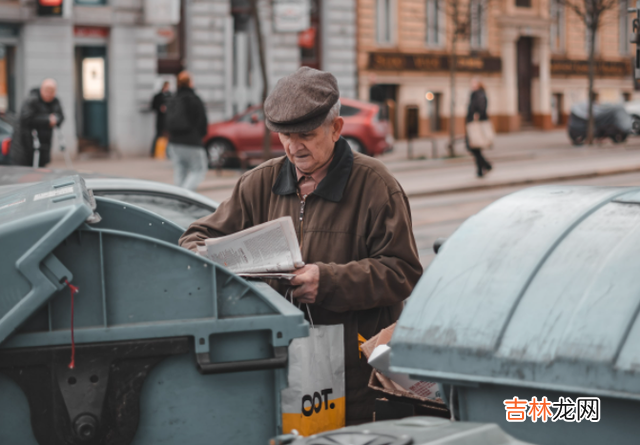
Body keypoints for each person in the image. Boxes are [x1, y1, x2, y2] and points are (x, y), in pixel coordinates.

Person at [179, 67, 423, 425]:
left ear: (337, 129)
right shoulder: (257, 184)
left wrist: (327, 281)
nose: (294, 147)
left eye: (306, 135)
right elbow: (193, 240)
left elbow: (403, 272)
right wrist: (220, 261)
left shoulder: (376, 186)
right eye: (284, 136)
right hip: (280, 366)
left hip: (358, 378)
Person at [165, 71, 208, 191]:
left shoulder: (173, 99)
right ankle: (185, 196)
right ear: (190, 83)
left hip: (174, 142)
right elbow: (202, 121)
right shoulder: (194, 99)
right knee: (199, 170)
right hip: (192, 141)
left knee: (180, 171)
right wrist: (200, 135)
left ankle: (179, 198)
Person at [10, 78, 64, 167]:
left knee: (41, 171)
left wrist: (56, 120)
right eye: (47, 90)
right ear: (41, 89)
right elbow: (25, 119)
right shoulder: (32, 100)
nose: (49, 94)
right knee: (25, 172)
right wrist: (47, 120)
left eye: (52, 91)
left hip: (43, 144)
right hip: (25, 145)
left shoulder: (55, 102)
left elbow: (61, 116)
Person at [466, 77, 493, 178]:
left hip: (475, 125)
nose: (472, 85)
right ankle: (484, 167)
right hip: (473, 124)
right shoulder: (476, 94)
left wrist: (476, 115)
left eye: (474, 83)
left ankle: (482, 169)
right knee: (474, 148)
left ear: (479, 84)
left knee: (473, 147)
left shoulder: (479, 94)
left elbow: (481, 108)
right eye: (471, 83)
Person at [150, 81, 171, 157]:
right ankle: (153, 152)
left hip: (168, 119)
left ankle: (168, 153)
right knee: (158, 135)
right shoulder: (158, 96)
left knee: (168, 136)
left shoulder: (170, 96)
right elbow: (152, 106)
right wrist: (160, 108)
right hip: (160, 119)